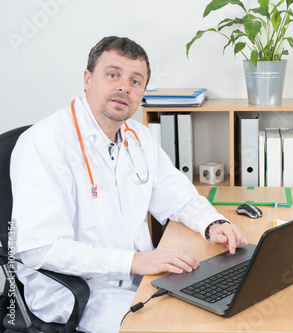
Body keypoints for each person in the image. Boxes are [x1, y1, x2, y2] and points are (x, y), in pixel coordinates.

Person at [10, 36, 247, 333]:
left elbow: (177, 195)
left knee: (219, 308)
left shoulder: (137, 136)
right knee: (177, 327)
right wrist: (134, 261)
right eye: (113, 75)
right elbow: (40, 249)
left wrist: (213, 223)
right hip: (78, 291)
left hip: (140, 272)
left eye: (136, 81)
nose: (124, 87)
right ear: (87, 79)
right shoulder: (45, 142)